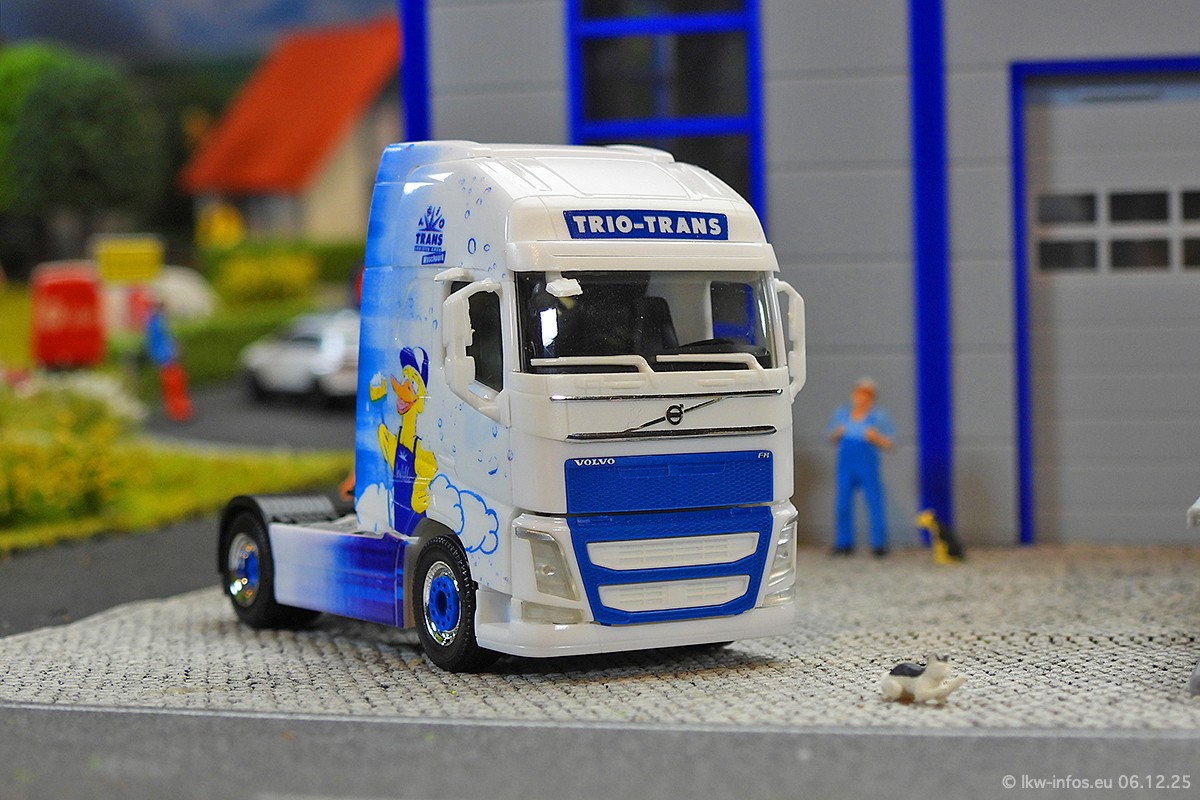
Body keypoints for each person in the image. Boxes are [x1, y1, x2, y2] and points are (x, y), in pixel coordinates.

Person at [826, 377, 895, 556]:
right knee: (842, 505)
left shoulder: (878, 417)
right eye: (859, 393)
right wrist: (837, 433)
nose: (862, 398)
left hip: (867, 468)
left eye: (866, 395)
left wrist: (876, 438)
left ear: (872, 398)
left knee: (874, 503)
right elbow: (830, 436)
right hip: (845, 468)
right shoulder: (842, 414)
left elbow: (890, 443)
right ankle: (843, 543)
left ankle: (879, 544)